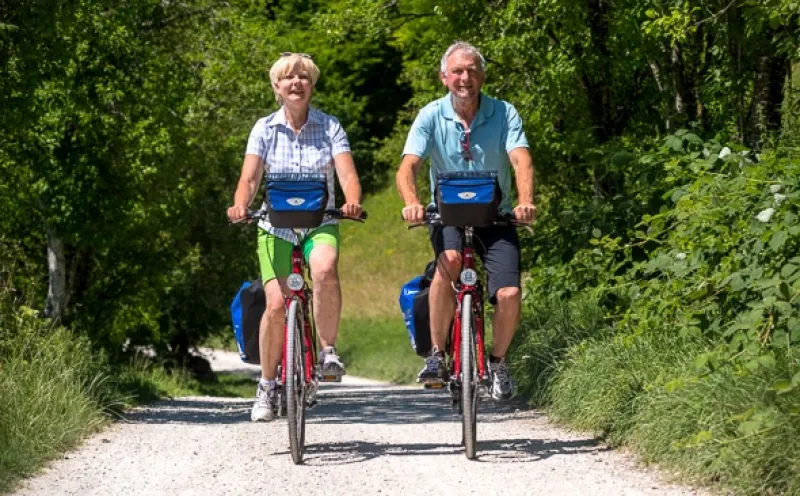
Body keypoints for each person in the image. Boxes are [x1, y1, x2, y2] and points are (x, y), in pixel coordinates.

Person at [396, 41, 536, 401]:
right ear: (444, 77)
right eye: (457, 71)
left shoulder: (504, 113)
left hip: (496, 215)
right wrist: (412, 202)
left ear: (482, 76)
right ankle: (437, 355)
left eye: (472, 70)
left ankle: (499, 362)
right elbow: (408, 166)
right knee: (451, 262)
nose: (465, 78)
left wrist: (525, 202)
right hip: (448, 215)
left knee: (509, 293)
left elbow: (520, 160)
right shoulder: (430, 115)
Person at [227, 53, 363, 421]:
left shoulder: (330, 127)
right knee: (275, 304)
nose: (296, 83)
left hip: (320, 223)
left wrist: (351, 202)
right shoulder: (264, 129)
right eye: (288, 78)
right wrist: (241, 205)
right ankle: (268, 386)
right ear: (277, 87)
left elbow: (347, 174)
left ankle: (328, 351)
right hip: (276, 227)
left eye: (303, 77)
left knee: (324, 269)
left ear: (312, 84)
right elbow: (250, 178)